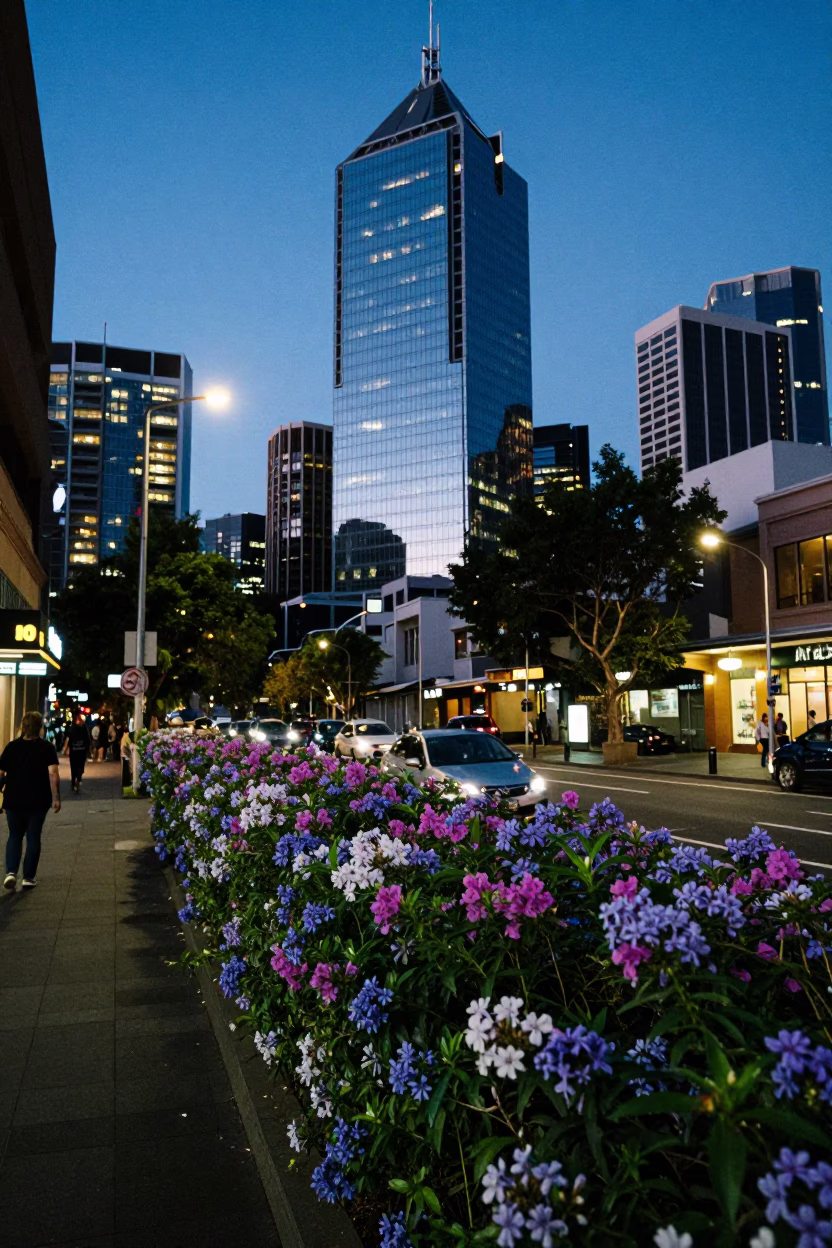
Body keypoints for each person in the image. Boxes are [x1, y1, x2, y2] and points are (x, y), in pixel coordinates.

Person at [0, 710, 61, 890]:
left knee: (14, 835)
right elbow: (53, 774)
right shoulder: (47, 748)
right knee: (33, 836)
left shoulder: (12, 747)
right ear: (40, 728)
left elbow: (1, 773)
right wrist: (56, 798)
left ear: (23, 727)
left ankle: (11, 872)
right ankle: (28, 877)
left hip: (13, 799)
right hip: (38, 799)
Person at [64, 711, 91, 793]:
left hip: (74, 751)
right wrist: (87, 749)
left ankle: (73, 782)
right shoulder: (84, 728)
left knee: (73, 767)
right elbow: (88, 740)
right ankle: (78, 779)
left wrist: (67, 749)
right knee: (81, 766)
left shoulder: (73, 728)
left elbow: (69, 739)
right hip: (82, 750)